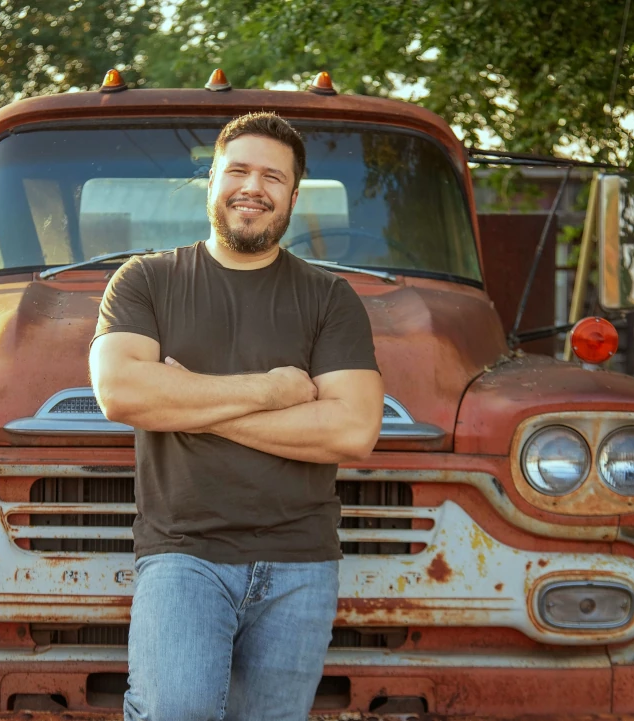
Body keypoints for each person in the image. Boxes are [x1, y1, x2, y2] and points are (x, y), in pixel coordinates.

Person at [89, 111, 384, 721]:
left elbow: (352, 430)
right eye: (239, 170)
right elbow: (121, 393)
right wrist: (275, 391)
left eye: (273, 177)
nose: (253, 187)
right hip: (183, 552)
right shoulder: (146, 280)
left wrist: (184, 396)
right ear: (212, 182)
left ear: (294, 197)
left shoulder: (330, 298)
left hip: (301, 561)